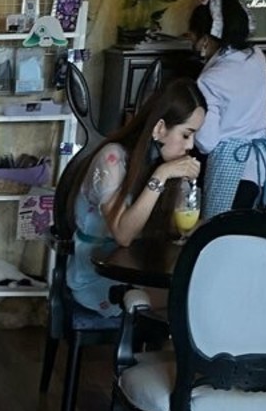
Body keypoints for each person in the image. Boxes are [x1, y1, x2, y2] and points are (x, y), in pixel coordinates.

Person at [63, 78, 206, 317]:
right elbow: (124, 235)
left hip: (141, 269)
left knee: (203, 292)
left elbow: (173, 228)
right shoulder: (113, 159)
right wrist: (161, 176)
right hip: (98, 274)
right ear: (160, 128)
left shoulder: (161, 162)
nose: (190, 145)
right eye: (186, 134)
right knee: (190, 302)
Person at [188, 0, 266, 217]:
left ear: (205, 39)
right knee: (261, 234)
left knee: (222, 235)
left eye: (193, 36)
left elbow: (207, 142)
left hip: (235, 174)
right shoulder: (256, 56)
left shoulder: (210, 79)